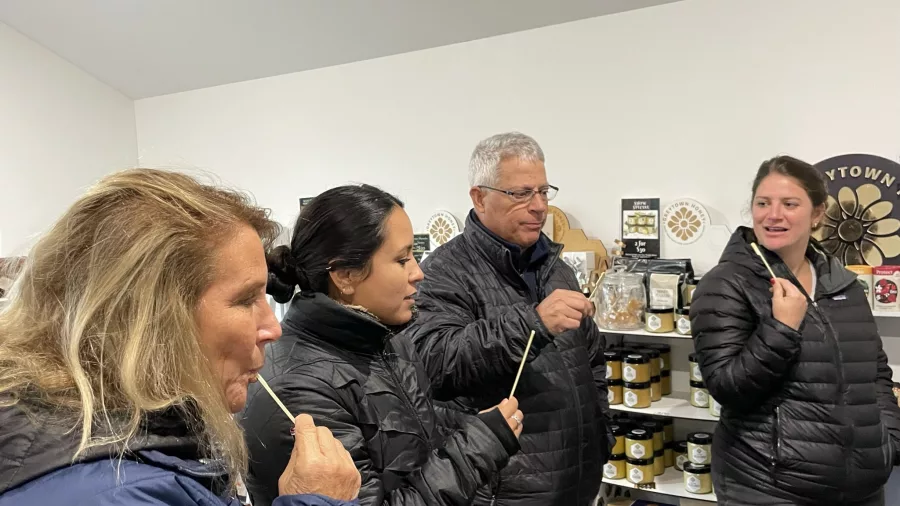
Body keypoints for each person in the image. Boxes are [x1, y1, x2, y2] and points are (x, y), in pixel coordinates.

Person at [0, 169, 361, 506]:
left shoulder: (150, 438)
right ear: (145, 319)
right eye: (246, 299)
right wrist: (319, 500)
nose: (273, 328)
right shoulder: (112, 494)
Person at [240, 184, 523, 506]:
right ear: (346, 275)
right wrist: (478, 446)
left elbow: (407, 440)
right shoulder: (300, 391)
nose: (418, 273)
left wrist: (475, 428)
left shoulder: (384, 339)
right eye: (402, 260)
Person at [404, 132, 611, 506]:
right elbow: (435, 364)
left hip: (577, 480)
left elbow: (592, 356)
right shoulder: (444, 271)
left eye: (544, 192)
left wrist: (601, 434)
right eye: (521, 194)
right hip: (505, 490)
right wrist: (532, 323)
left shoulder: (555, 268)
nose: (539, 207)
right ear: (479, 197)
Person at [690, 155, 900, 505]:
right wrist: (781, 327)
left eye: (789, 204)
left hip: (861, 488)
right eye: (763, 203)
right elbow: (728, 388)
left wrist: (889, 440)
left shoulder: (842, 283)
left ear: (817, 213)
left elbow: (874, 372)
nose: (773, 215)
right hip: (769, 486)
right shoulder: (726, 284)